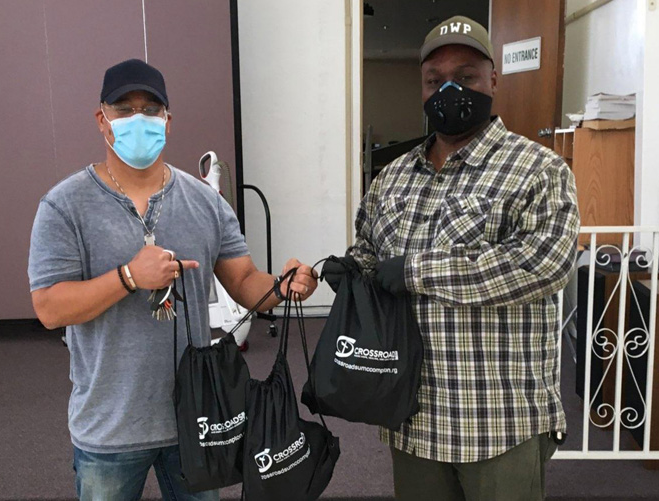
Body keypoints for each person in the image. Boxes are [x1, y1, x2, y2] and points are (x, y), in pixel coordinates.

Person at [28, 59, 318, 501]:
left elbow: (244, 282)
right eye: (124, 109)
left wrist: (283, 285)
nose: (137, 119)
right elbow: (49, 309)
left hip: (198, 419)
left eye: (150, 108)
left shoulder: (205, 202)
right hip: (109, 425)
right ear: (101, 119)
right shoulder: (65, 205)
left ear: (168, 120)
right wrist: (128, 277)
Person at [324, 16, 579, 501]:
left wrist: (418, 271)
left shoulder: (538, 169)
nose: (449, 90)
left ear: (493, 81)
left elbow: (542, 265)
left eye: (465, 77)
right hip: (413, 414)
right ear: (422, 88)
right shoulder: (392, 177)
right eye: (435, 80)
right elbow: (371, 253)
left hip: (499, 421)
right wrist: (350, 271)